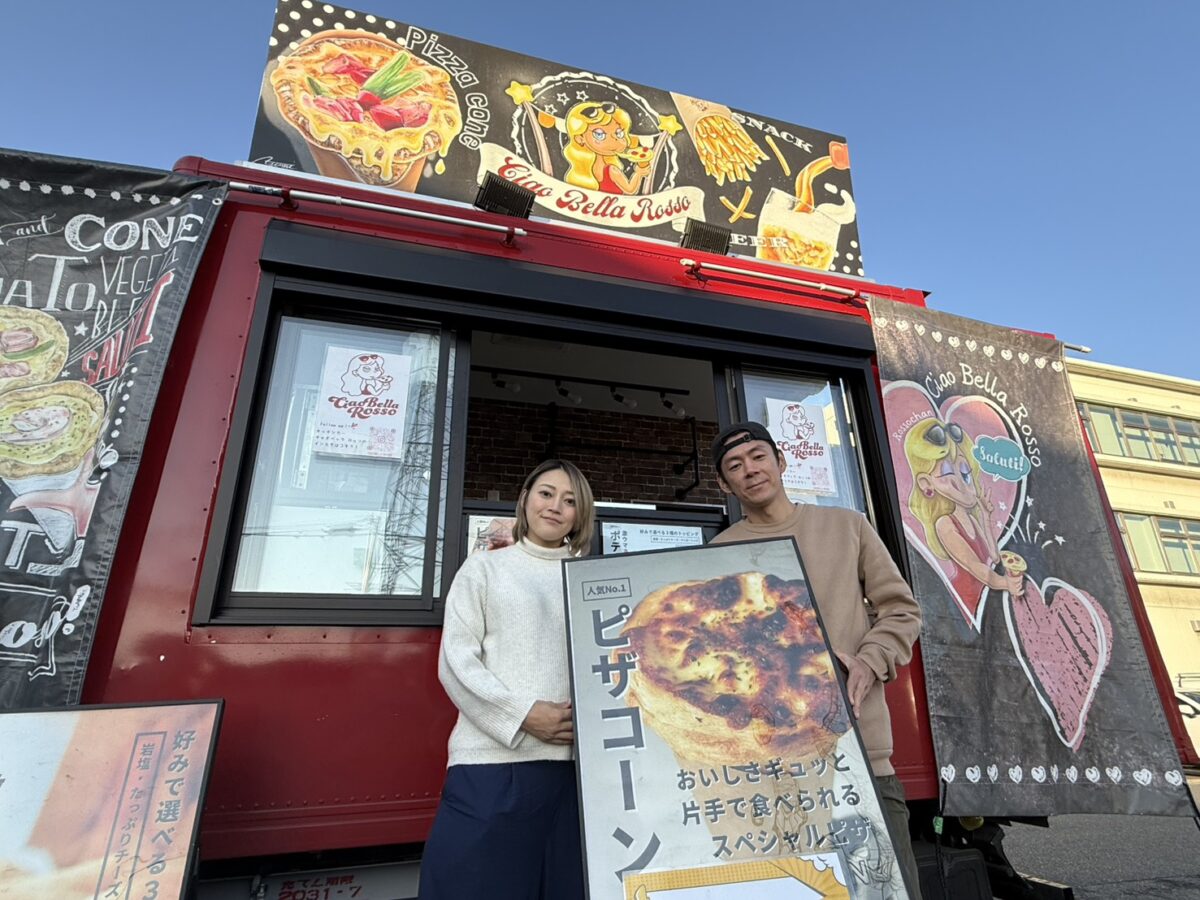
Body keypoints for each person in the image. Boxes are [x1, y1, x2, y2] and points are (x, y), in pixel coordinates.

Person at [709, 421, 924, 898]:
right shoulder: (717, 555)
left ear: (781, 461)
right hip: (770, 771)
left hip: (861, 754)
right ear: (724, 484)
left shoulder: (847, 526)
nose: (750, 470)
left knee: (886, 889)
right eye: (735, 466)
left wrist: (870, 660)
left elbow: (901, 610)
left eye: (758, 457)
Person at [418, 459, 595, 900]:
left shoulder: (595, 579)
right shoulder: (484, 569)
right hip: (492, 766)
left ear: (581, 515)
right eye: (546, 493)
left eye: (570, 501)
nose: (555, 507)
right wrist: (522, 714)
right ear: (525, 499)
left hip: (582, 773)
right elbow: (456, 662)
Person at [903, 418, 1023, 602]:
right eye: (947, 474)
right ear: (926, 483)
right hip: (968, 600)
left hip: (984, 599)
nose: (962, 483)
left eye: (966, 473)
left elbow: (993, 556)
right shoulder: (945, 524)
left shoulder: (971, 519)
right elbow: (974, 565)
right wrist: (1004, 583)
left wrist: (985, 517)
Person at [563, 100, 652, 195]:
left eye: (619, 133)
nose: (614, 140)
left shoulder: (580, 174)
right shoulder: (611, 170)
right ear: (580, 139)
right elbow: (630, 190)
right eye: (599, 135)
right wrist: (639, 173)